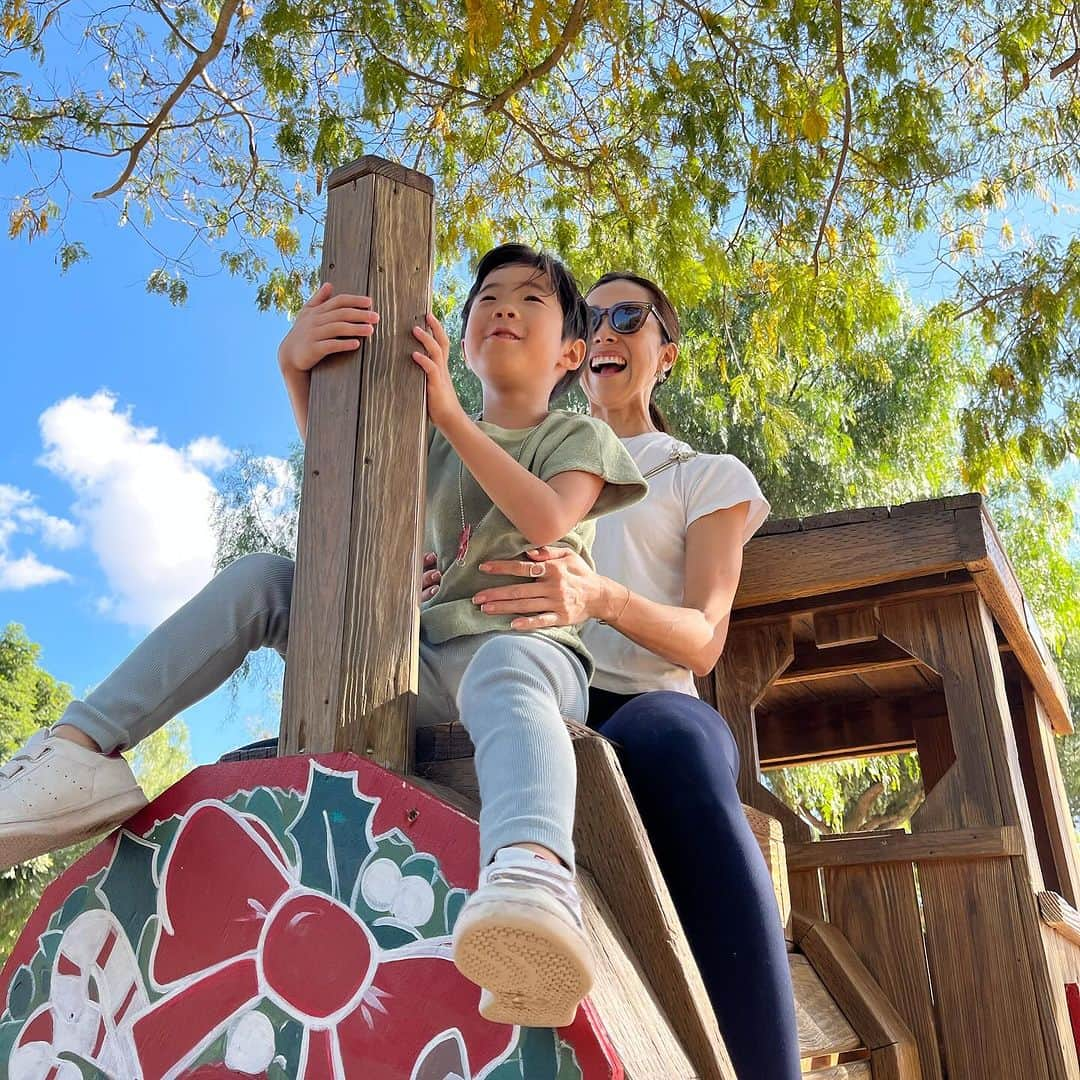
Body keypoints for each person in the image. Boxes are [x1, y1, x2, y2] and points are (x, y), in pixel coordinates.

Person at [0, 244, 647, 1031]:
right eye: (489, 298)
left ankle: (532, 875)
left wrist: (444, 410)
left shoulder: (573, 436)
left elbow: (548, 515)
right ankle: (81, 750)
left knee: (506, 666)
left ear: (573, 355)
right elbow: (352, 485)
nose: (505, 306)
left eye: (531, 300)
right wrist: (296, 372)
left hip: (523, 663)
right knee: (265, 577)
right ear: (466, 333)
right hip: (418, 661)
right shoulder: (432, 440)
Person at [435, 271, 802, 1077]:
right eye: (590, 316)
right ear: (570, 350)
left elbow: (704, 640)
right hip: (516, 672)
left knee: (673, 739)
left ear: (664, 353)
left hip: (638, 699)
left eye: (628, 317)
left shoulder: (701, 475)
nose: (605, 329)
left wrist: (598, 594)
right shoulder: (524, 452)